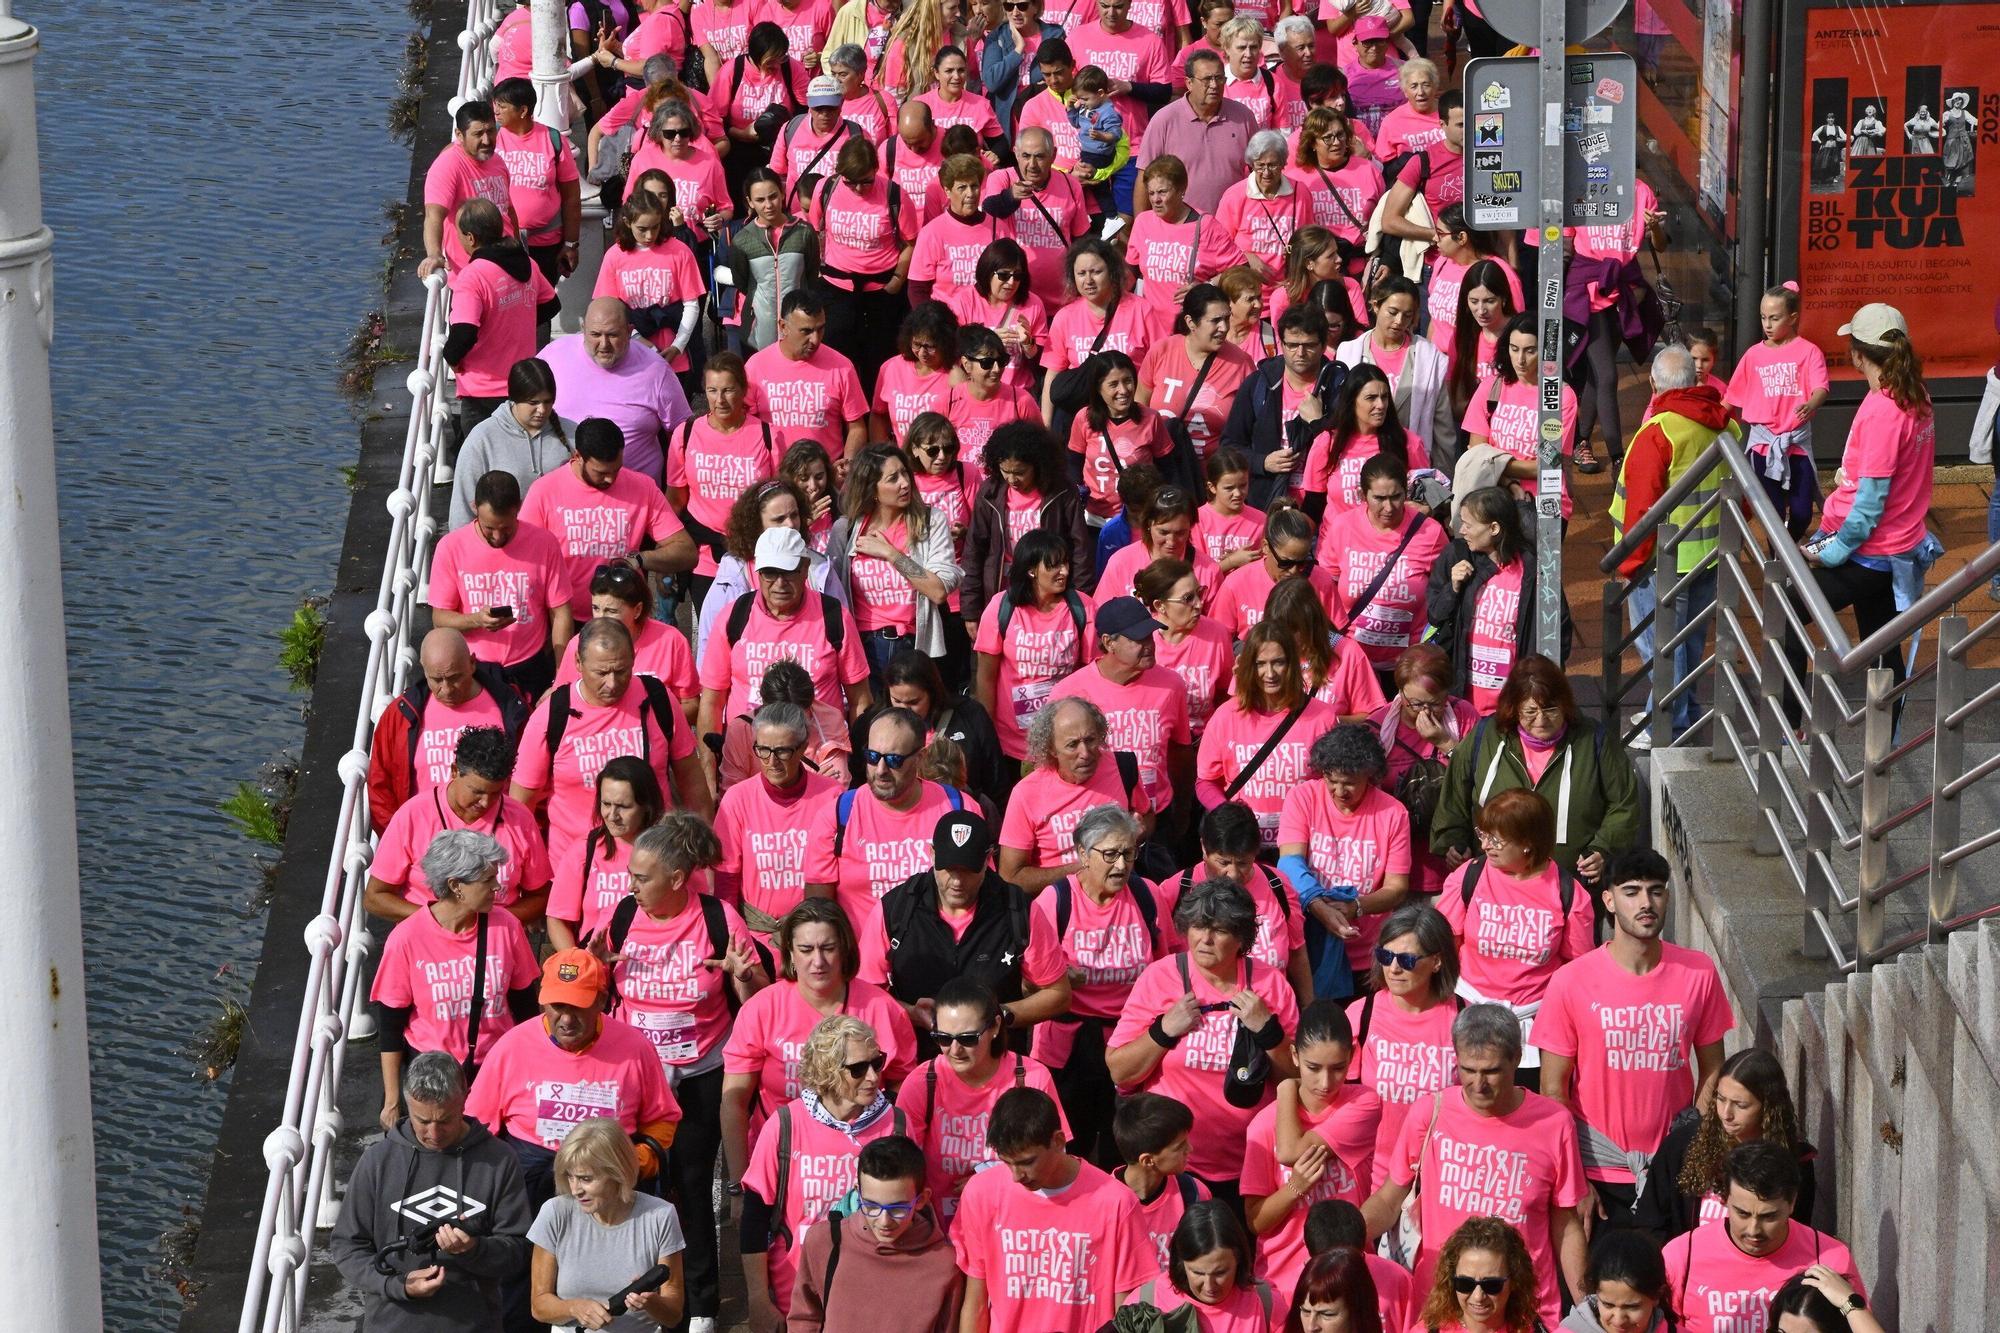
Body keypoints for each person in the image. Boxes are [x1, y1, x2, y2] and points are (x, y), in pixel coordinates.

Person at [1534, 846, 1731, 1230]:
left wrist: (1696, 1150)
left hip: (1675, 1168)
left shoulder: (1698, 972)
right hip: (1598, 1173)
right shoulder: (1571, 981)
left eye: (1656, 891)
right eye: (1632, 891)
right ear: (1608, 899)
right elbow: (1552, 1089)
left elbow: (1713, 1071)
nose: (1646, 903)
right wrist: (1575, 1178)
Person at [1361, 1004, 1589, 1324]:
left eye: (1491, 1071)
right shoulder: (1430, 1113)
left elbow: (1565, 1225)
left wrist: (1587, 1308)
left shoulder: (1554, 1122)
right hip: (1443, 1310)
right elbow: (1388, 1199)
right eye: (1468, 1070)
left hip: (1523, 1311)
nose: (1478, 1083)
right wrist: (1346, 1237)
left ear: (1517, 1059)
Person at [1107, 876, 1302, 1206]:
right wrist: (1162, 1031)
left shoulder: (1271, 984)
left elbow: (1295, 1083)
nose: (1206, 939)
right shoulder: (1160, 977)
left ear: (1241, 939)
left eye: (1220, 930)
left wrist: (1268, 1032)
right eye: (1198, 926)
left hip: (1249, 1164)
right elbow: (1119, 1072)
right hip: (1173, 1170)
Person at [1783, 302, 1934, 726]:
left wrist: (1827, 552)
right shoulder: (1916, 394)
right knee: (1881, 645)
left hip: (1868, 549)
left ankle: (1790, 726)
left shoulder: (1883, 410)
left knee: (1789, 605)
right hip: (1895, 546)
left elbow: (1867, 507)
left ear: (1858, 354)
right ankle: (1885, 740)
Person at [331, 1051, 534, 1332]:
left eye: (445, 1120)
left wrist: (474, 1249)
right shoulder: (377, 1161)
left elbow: (519, 1251)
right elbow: (347, 1246)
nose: (434, 1133)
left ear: (465, 1099)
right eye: (423, 1121)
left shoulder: (500, 1160)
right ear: (407, 1105)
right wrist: (396, 1285)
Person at [465, 949, 684, 1206]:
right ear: (541, 1001)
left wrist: (635, 1162)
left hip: (609, 1181)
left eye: (578, 1007)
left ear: (601, 1001)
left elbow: (662, 1118)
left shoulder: (636, 1048)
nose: (566, 1020)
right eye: (557, 1007)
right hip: (531, 1180)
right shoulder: (511, 1047)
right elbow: (475, 1127)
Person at [721, 900, 920, 1180]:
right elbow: (734, 1102)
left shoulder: (881, 1008)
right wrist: (738, 1183)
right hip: (781, 1159)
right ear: (789, 952)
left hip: (865, 1165)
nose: (818, 961)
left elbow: (905, 1091)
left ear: (845, 950)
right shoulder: (762, 1009)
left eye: (828, 948)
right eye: (806, 949)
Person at [740, 1014, 913, 1325]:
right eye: (858, 1069)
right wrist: (757, 1299)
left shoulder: (896, 1124)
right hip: (799, 1295)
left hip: (873, 1294)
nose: (873, 1077)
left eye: (877, 1062)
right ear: (826, 1070)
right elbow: (754, 1218)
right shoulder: (785, 1125)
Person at [371, 829, 542, 1128]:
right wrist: (391, 1100)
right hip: (433, 1075)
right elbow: (391, 1024)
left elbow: (526, 1008)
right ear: (456, 886)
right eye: (488, 881)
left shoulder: (507, 927)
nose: (498, 888)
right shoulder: (407, 938)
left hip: (496, 1069)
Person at [861, 811, 1073, 1051]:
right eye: (949, 868)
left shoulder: (1018, 910)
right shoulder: (896, 909)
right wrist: (912, 1013)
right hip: (916, 1063)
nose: (958, 882)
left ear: (988, 860)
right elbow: (865, 993)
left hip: (995, 1065)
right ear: (931, 854)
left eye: (969, 869)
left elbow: (1058, 994)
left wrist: (998, 1016)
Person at [953, 1086, 1158, 1333]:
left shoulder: (1116, 1203)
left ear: (1059, 1141)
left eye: (1027, 1162)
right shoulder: (980, 1193)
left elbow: (1127, 1312)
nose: (1017, 1176)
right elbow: (975, 1302)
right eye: (1007, 1163)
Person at [1610, 345, 1735, 745]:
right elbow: (1742, 496)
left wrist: (1630, 562)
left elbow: (1642, 512)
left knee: (1660, 647)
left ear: (1653, 384)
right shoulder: (1727, 426)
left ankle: (1666, 723)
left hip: (1662, 563)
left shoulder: (1658, 432)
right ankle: (1684, 711)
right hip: (1711, 554)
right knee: (1690, 643)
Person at [514, 618, 710, 868]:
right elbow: (521, 806)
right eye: (602, 673)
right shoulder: (551, 716)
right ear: (578, 663)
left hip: (654, 863)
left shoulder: (658, 699)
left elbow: (691, 779)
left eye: (621, 671)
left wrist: (703, 855)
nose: (612, 683)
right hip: (577, 872)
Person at [1028, 804, 1163, 1163]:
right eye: (1110, 854)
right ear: (1083, 855)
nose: (1121, 865)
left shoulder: (1148, 895)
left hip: (1129, 1042)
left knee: (1125, 1149)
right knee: (1065, 1147)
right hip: (1067, 1047)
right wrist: (1057, 977)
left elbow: (1167, 969)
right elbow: (1028, 983)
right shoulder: (1055, 901)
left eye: (1128, 853)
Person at [1430, 654, 1642, 878]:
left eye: (1551, 709)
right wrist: (1453, 840)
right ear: (1514, 708)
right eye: (1530, 711)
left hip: (1568, 883)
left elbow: (1623, 803)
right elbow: (1454, 797)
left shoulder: (1594, 740)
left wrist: (1603, 849)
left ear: (1565, 705)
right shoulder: (1485, 737)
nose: (1541, 720)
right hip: (1493, 883)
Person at [1438, 789, 1595, 1063]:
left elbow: (1578, 970)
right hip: (1467, 1010)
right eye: (1483, 834)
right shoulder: (1469, 876)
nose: (1485, 846)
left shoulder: (1568, 893)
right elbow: (1444, 942)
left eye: (1496, 840)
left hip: (1534, 1024)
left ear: (1527, 843)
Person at [1243, 1001, 1384, 1305]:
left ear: (1352, 1056)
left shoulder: (1363, 1104)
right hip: (1285, 1284)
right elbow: (1256, 1221)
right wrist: (1296, 1187)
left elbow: (1291, 1151)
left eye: (1337, 1068)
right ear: (1294, 1055)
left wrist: (1284, 1088)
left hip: (1350, 1274)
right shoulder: (1263, 1126)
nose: (1325, 1082)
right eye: (1313, 1068)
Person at [894, 976, 1069, 1217]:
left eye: (968, 1039)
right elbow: (900, 1164)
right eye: (943, 1038)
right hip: (940, 1230)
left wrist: (990, 1183)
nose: (954, 1050)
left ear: (995, 1027)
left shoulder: (1030, 1077)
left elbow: (1056, 1159)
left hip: (1011, 1219)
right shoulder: (922, 1081)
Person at [697, 526, 875, 748]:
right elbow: (712, 701)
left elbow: (860, 699)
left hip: (822, 760)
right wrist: (708, 766)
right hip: (747, 759)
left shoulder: (834, 616)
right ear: (757, 572)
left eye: (789, 571)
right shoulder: (734, 616)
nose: (780, 583)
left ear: (805, 568)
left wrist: (859, 760)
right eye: (770, 573)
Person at [1662, 1143, 1866, 1333]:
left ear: (1792, 1202)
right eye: (1742, 1213)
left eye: (1769, 1216)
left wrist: (1850, 1303)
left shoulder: (1830, 1259)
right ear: (1724, 1199)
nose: (1754, 1230)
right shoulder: (1681, 1256)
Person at [365, 727, 552, 927]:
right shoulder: (413, 815)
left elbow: (540, 896)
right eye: (476, 791)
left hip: (495, 944)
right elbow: (375, 898)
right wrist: (441, 920)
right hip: (429, 942)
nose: (485, 802)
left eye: (496, 793)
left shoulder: (520, 819)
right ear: (454, 771)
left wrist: (491, 926)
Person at [1276, 721, 1411, 998]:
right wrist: (1318, 906)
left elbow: (1396, 889)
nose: (1339, 791)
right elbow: (1289, 862)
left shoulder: (1393, 813)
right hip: (1309, 943)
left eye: (1349, 783)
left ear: (1370, 776)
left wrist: (1356, 907)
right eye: (1331, 780)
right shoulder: (1303, 797)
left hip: (1367, 952)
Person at [802, 707, 968, 924]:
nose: (880, 770)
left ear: (920, 757)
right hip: (862, 955)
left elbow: (977, 893)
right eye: (872, 757)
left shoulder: (958, 809)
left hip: (936, 953)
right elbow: (818, 917)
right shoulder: (837, 815)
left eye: (894, 760)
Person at [785, 1134, 966, 1333]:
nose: (884, 1221)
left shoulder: (945, 1264)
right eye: (871, 1206)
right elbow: (804, 1319)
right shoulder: (823, 1242)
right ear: (858, 1193)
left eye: (897, 1208)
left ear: (922, 1199)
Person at [519, 416, 695, 617]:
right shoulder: (544, 491)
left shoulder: (642, 487)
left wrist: (640, 559)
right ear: (578, 457)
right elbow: (523, 559)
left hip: (623, 621)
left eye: (616, 469)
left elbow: (686, 551)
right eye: (601, 472)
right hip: (563, 620)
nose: (610, 478)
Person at [527, 1117, 686, 1331]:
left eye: (586, 1179)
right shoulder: (554, 1212)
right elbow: (539, 1306)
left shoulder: (660, 1215)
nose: (575, 1190)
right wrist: (574, 1308)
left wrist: (652, 1303)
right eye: (570, 1177)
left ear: (617, 1174)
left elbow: (674, 1314)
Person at [367, 629, 530, 835]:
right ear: (424, 671)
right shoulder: (400, 715)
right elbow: (380, 786)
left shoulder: (510, 708)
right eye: (436, 679)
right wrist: (400, 840)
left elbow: (532, 775)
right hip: (425, 841)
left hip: (495, 838)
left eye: (455, 678)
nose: (447, 689)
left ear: (472, 663)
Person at [1345, 902, 1461, 1187]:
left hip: (1439, 1177)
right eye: (1386, 956)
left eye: (1407, 960)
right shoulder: (1361, 1014)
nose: (1394, 968)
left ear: (1437, 961)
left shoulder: (1464, 1020)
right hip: (1371, 1176)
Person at [430, 470, 574, 699]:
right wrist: (477, 619)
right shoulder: (450, 547)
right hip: (476, 670)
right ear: (474, 507)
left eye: (506, 528)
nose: (497, 537)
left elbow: (561, 612)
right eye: (489, 528)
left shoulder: (544, 543)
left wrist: (561, 675)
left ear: (518, 507)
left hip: (531, 667)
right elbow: (440, 618)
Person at [1050, 594, 1195, 820]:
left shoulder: (1171, 685)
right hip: (1099, 823)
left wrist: (1183, 810)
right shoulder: (1069, 694)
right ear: (1109, 643)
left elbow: (1180, 751)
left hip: (1158, 816)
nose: (1149, 645)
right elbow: (1052, 765)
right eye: (1138, 639)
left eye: (1150, 636)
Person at [828, 443, 962, 683]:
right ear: (873, 489)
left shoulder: (931, 522)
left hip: (914, 646)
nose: (905, 483)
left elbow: (938, 590)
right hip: (863, 648)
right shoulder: (845, 530)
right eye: (893, 478)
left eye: (905, 473)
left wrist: (892, 554)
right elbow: (834, 595)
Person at [1197, 621, 1340, 847]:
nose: (1269, 673)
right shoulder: (1225, 716)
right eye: (1260, 664)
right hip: (1244, 849)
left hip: (1306, 845)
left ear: (1293, 664)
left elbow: (1336, 782)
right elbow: (1205, 782)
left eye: (1278, 663)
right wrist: (1228, 814)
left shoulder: (1323, 717)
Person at [1650, 1048, 1819, 1237]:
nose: (1726, 1114)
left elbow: (1798, 1234)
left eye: (1740, 1105)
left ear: (1768, 1107)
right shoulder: (1684, 1143)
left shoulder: (1796, 1161)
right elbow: (1652, 1222)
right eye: (1721, 1100)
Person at [712, 698, 843, 941]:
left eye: (782, 751)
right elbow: (726, 879)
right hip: (755, 936)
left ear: (803, 747)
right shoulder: (737, 800)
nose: (772, 762)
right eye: (763, 750)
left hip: (815, 938)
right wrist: (732, 939)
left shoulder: (832, 796)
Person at [999, 697, 1158, 892]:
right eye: (1072, 744)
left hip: (1120, 898)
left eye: (1090, 740)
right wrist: (1086, 867)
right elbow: (1011, 876)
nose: (1085, 753)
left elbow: (1147, 817)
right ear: (1051, 749)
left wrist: (1136, 833)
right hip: (1061, 908)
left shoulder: (1123, 767)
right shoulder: (1026, 794)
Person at [972, 528, 1098, 775]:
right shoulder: (1001, 607)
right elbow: (985, 677)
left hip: (1063, 739)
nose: (1064, 571)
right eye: (1054, 565)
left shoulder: (1082, 607)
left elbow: (1091, 672)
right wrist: (986, 733)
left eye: (1065, 563)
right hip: (1009, 740)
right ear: (1031, 570)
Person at [666, 352, 785, 606]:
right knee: (713, 639)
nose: (719, 400)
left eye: (728, 390)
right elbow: (675, 500)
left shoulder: (767, 435)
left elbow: (781, 499)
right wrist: (667, 557)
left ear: (743, 391)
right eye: (712, 390)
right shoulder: (685, 434)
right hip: (705, 559)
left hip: (756, 555)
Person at [693, 477, 853, 664]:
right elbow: (710, 651)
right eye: (779, 519)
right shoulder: (733, 575)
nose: (790, 525)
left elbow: (844, 641)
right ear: (756, 525)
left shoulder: (820, 569)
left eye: (794, 515)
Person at [536, 300, 694, 486]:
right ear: (583, 329)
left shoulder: (656, 370)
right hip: (567, 500)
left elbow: (682, 434)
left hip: (636, 500)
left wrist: (675, 493)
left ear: (629, 332)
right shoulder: (553, 356)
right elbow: (522, 414)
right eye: (595, 334)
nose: (604, 345)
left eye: (612, 335)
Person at [1321, 455, 1448, 684]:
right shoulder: (1342, 527)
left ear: (1406, 493)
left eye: (1396, 497)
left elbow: (1445, 594)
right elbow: (1324, 587)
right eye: (1379, 498)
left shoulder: (1431, 533)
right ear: (1363, 496)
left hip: (1409, 668)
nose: (1389, 507)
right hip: (1353, 664)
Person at [1426, 487, 1554, 714]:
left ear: (1494, 528)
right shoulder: (1457, 555)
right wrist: (1453, 588)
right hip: (1464, 703)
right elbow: (1435, 615)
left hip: (1512, 705)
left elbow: (1556, 632)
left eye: (1468, 524)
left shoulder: (1535, 571)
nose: (1461, 530)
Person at [810, 137, 922, 391]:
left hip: (881, 292)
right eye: (851, 182)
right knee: (838, 361)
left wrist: (897, 280)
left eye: (866, 181)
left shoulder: (894, 194)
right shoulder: (825, 189)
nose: (859, 188)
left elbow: (911, 243)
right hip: (836, 289)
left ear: (876, 169)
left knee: (879, 362)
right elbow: (815, 230)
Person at [444, 200, 560, 433]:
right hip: (521, 385)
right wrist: (517, 321)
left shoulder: (472, 277)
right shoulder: (528, 263)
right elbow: (551, 305)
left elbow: (464, 333)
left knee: (482, 463)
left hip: (482, 392)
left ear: (471, 238)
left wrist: (451, 358)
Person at [1725, 282, 1829, 541]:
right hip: (1763, 445)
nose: (1767, 324)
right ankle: (1780, 568)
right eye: (1763, 318)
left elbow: (1821, 388)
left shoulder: (1809, 352)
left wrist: (1812, 403)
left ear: (1793, 318)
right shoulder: (1753, 355)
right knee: (1772, 514)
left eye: (1774, 318)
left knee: (1803, 513)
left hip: (1795, 444)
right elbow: (1730, 399)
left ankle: (1787, 553)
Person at [1366, 646, 1475, 892]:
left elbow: (1481, 776)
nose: (1424, 712)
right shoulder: (1376, 727)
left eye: (1435, 704)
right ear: (1399, 692)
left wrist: (1445, 743)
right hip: (1394, 871)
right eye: (1414, 703)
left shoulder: (1464, 716)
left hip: (1449, 868)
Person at [1219, 306, 1349, 510]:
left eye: (1309, 345)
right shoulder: (1258, 383)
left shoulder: (1339, 386)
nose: (1300, 353)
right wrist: (1262, 462)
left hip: (1322, 507)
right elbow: (1230, 445)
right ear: (1281, 343)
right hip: (1264, 503)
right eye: (1292, 345)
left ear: (1324, 345)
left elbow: (1351, 449)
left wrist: (1318, 424)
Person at [851, 648, 1004, 815]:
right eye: (897, 701)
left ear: (932, 693)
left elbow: (995, 780)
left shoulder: (970, 716)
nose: (906, 710)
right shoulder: (870, 725)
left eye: (914, 702)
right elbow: (858, 785)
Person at [1461, 312, 1580, 522]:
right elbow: (1476, 452)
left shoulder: (1562, 397)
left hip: (1544, 504)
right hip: (1494, 498)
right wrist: (1509, 479)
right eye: (1514, 349)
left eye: (1530, 351)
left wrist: (1495, 464)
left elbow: (1544, 467)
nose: (1521, 360)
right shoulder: (1491, 387)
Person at [543, 755, 663, 949]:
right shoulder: (583, 850)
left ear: (646, 806)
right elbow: (558, 919)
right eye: (606, 804)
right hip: (595, 970)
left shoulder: (671, 852)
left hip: (649, 970)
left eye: (623, 807)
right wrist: (578, 966)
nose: (612, 815)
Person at [1335, 276, 1454, 463]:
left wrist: (1441, 479)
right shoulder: (1348, 352)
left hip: (1410, 462)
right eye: (1393, 312)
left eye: (1407, 315)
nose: (1399, 321)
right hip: (1358, 461)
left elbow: (1443, 429)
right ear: (1375, 306)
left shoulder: (1430, 358)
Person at [449, 358, 576, 531]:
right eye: (533, 403)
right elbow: (462, 508)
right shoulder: (482, 439)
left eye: (548, 401)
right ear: (514, 398)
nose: (542, 410)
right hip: (505, 548)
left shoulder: (572, 433)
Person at [1138, 285, 1260, 465]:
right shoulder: (1161, 351)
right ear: (1190, 322)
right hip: (1167, 474)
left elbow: (1252, 426)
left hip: (1216, 479)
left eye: (1227, 318)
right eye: (1215, 320)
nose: (1224, 327)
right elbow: (1140, 408)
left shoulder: (1241, 363)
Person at [593, 190, 707, 381]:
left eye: (655, 227)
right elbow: (608, 307)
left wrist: (678, 346)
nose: (649, 235)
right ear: (628, 223)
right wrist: (637, 337)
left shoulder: (679, 251)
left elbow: (691, 304)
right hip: (631, 349)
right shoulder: (614, 255)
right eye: (642, 229)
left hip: (675, 348)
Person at [746, 289, 872, 460]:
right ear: (783, 327)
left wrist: (847, 466)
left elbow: (856, 427)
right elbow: (745, 425)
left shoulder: (842, 366)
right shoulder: (756, 366)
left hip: (826, 480)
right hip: (777, 480)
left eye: (820, 329)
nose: (815, 340)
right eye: (806, 331)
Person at [1300, 366, 1424, 524]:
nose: (1380, 404)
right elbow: (1313, 505)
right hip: (1338, 543)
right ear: (1352, 401)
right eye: (1371, 397)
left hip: (1390, 543)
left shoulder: (1408, 442)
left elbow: (1424, 499)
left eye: (1384, 397)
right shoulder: (1328, 442)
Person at [1125, 1201, 1278, 1328]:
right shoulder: (1144, 1304)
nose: (1209, 1286)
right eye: (1197, 1273)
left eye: (1220, 1273)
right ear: (1181, 1262)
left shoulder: (1266, 1303)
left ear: (1238, 1259)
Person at [1136, 558, 1235, 743]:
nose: (1198, 604)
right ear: (1160, 606)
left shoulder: (1216, 634)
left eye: (1199, 593)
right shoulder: (1141, 640)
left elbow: (1224, 694)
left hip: (1202, 741)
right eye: (1188, 598)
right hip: (1156, 741)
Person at [728, 168, 823, 354]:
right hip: (758, 330)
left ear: (783, 193)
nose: (768, 205)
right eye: (760, 200)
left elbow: (812, 276)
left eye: (773, 197)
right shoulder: (742, 240)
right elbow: (741, 282)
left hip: (800, 328)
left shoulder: (804, 232)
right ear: (750, 202)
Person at [422, 100, 518, 278]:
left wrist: (520, 250)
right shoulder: (447, 165)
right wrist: (434, 254)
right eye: (478, 134)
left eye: (490, 131)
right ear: (459, 134)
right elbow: (433, 215)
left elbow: (508, 211)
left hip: (508, 265)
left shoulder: (497, 161)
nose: (486, 140)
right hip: (472, 276)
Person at [1114, 1092, 1208, 1269]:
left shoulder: (1194, 1193)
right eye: (1180, 1147)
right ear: (1148, 1160)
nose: (1190, 1149)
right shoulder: (1104, 1203)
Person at [1211, 504, 1332, 637]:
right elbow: (1218, 638)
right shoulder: (1236, 583)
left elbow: (1336, 638)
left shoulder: (1322, 581)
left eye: (1302, 563)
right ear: (1266, 547)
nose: (1294, 571)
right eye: (1285, 562)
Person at [947, 245, 1051, 398]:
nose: (1011, 282)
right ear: (988, 272)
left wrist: (1029, 344)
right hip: (977, 394)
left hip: (1019, 394)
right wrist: (988, 341)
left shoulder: (1033, 304)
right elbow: (951, 354)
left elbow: (1043, 367)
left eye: (1017, 276)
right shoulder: (964, 301)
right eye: (1003, 275)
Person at [1216, 131, 1309, 301]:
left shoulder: (1300, 193)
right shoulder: (1234, 196)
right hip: (1247, 296)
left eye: (1272, 165)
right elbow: (1219, 248)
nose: (1266, 172)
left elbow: (1309, 241)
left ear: (1283, 163)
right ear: (1251, 164)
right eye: (1260, 165)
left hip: (1291, 294)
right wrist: (1246, 257)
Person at [1291, 107, 1383, 270]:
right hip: (1322, 268)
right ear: (1312, 142)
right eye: (1328, 138)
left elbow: (1384, 215)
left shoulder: (1367, 169)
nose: (1336, 142)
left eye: (1340, 134)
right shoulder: (1297, 179)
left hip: (1366, 264)